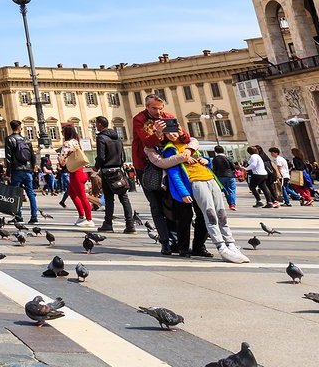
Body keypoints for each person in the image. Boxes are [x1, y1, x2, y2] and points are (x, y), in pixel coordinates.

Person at [156, 131, 246, 263]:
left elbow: (202, 162)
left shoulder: (190, 145)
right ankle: (194, 248)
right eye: (168, 134)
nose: (172, 135)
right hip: (193, 184)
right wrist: (184, 193)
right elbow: (174, 173)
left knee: (220, 214)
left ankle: (227, 244)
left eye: (174, 132)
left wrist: (207, 161)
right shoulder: (170, 149)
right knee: (200, 216)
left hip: (209, 179)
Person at [132, 93, 182, 252]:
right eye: (154, 108)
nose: (158, 112)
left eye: (160, 108)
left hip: (168, 164)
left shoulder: (168, 117)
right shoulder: (139, 119)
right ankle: (165, 241)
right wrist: (158, 133)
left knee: (172, 202)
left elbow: (184, 139)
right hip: (147, 167)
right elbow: (146, 141)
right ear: (147, 106)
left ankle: (175, 238)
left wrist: (180, 133)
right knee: (156, 204)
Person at [93, 116, 135, 233]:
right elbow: (123, 156)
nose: (96, 126)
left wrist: (96, 167)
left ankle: (108, 224)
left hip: (107, 171)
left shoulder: (101, 137)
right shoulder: (117, 137)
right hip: (118, 170)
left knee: (109, 198)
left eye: (96, 124)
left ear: (100, 124)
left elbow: (101, 156)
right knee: (124, 197)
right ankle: (130, 225)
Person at [58, 124, 94, 229]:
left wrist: (60, 159)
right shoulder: (76, 142)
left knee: (82, 197)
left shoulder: (67, 143)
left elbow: (62, 162)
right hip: (82, 171)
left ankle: (89, 219)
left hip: (76, 173)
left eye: (63, 132)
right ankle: (82, 216)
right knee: (72, 193)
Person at [4, 121, 39, 223]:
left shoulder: (9, 139)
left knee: (16, 194)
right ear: (20, 128)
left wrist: (8, 173)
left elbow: (8, 158)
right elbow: (32, 155)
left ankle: (18, 216)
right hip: (27, 170)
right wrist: (32, 167)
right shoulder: (26, 139)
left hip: (16, 170)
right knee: (31, 193)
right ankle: (34, 217)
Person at [210, 145, 238, 210]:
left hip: (220, 176)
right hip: (230, 176)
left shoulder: (215, 159)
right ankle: (232, 204)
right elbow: (233, 167)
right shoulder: (228, 158)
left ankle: (229, 203)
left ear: (215, 151)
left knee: (225, 191)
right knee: (231, 190)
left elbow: (214, 169)